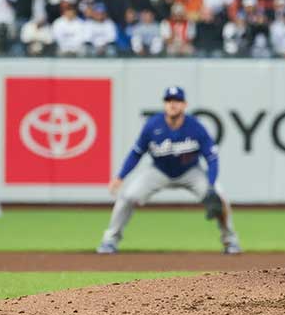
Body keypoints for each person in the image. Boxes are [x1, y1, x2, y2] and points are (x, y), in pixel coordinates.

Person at [97, 86, 241, 254]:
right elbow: (136, 153)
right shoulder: (152, 125)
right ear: (164, 104)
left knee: (219, 197)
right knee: (127, 196)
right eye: (169, 101)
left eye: (177, 101)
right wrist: (120, 176)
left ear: (184, 104)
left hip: (191, 172)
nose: (172, 104)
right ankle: (110, 240)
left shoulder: (195, 127)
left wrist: (211, 184)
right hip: (159, 171)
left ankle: (230, 241)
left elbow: (212, 158)